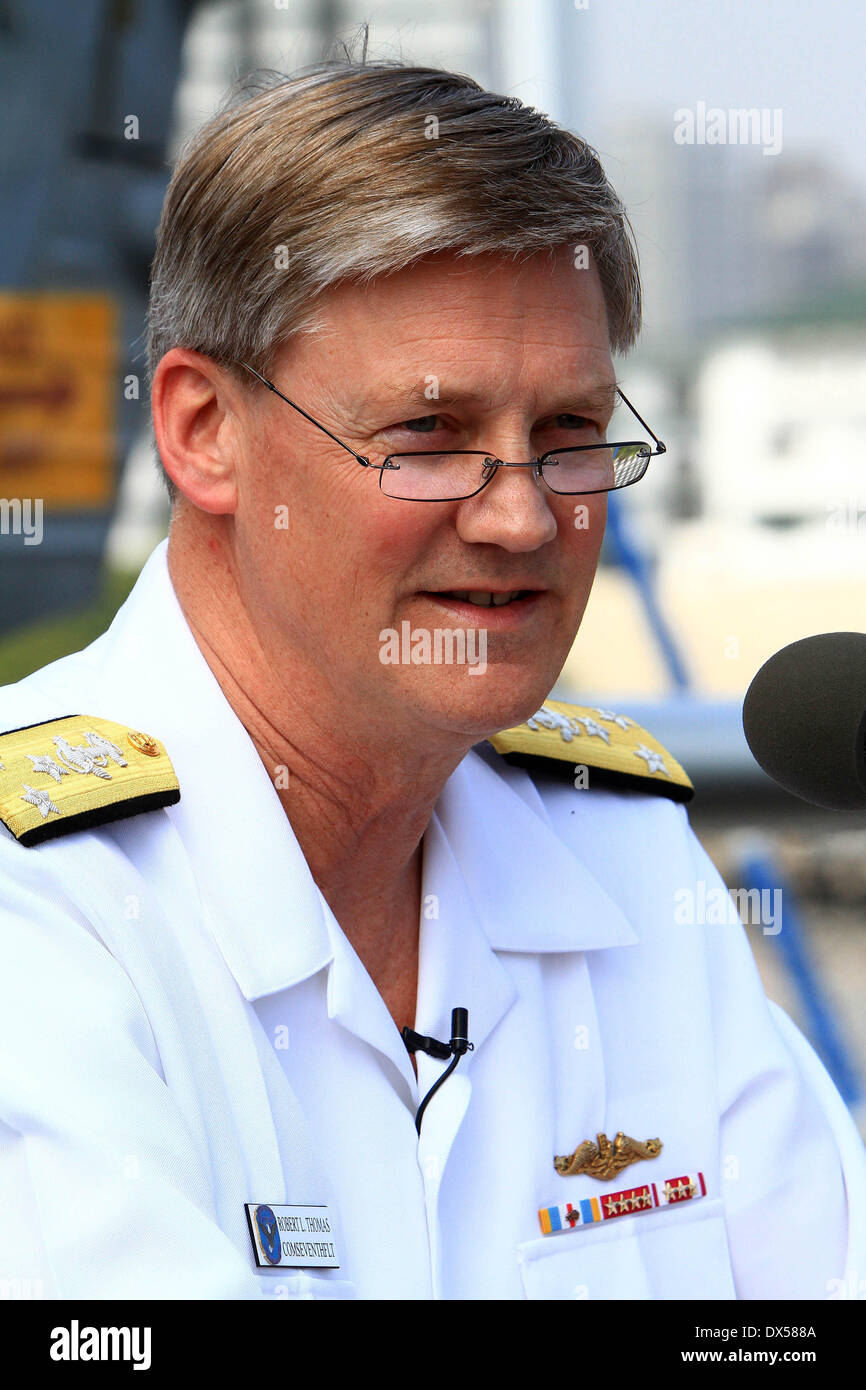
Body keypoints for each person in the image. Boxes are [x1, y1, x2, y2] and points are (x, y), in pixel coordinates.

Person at [0, 55, 863, 1302]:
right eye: (426, 436)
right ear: (203, 432)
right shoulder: (40, 902)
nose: (520, 515)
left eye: (568, 435)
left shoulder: (614, 856)